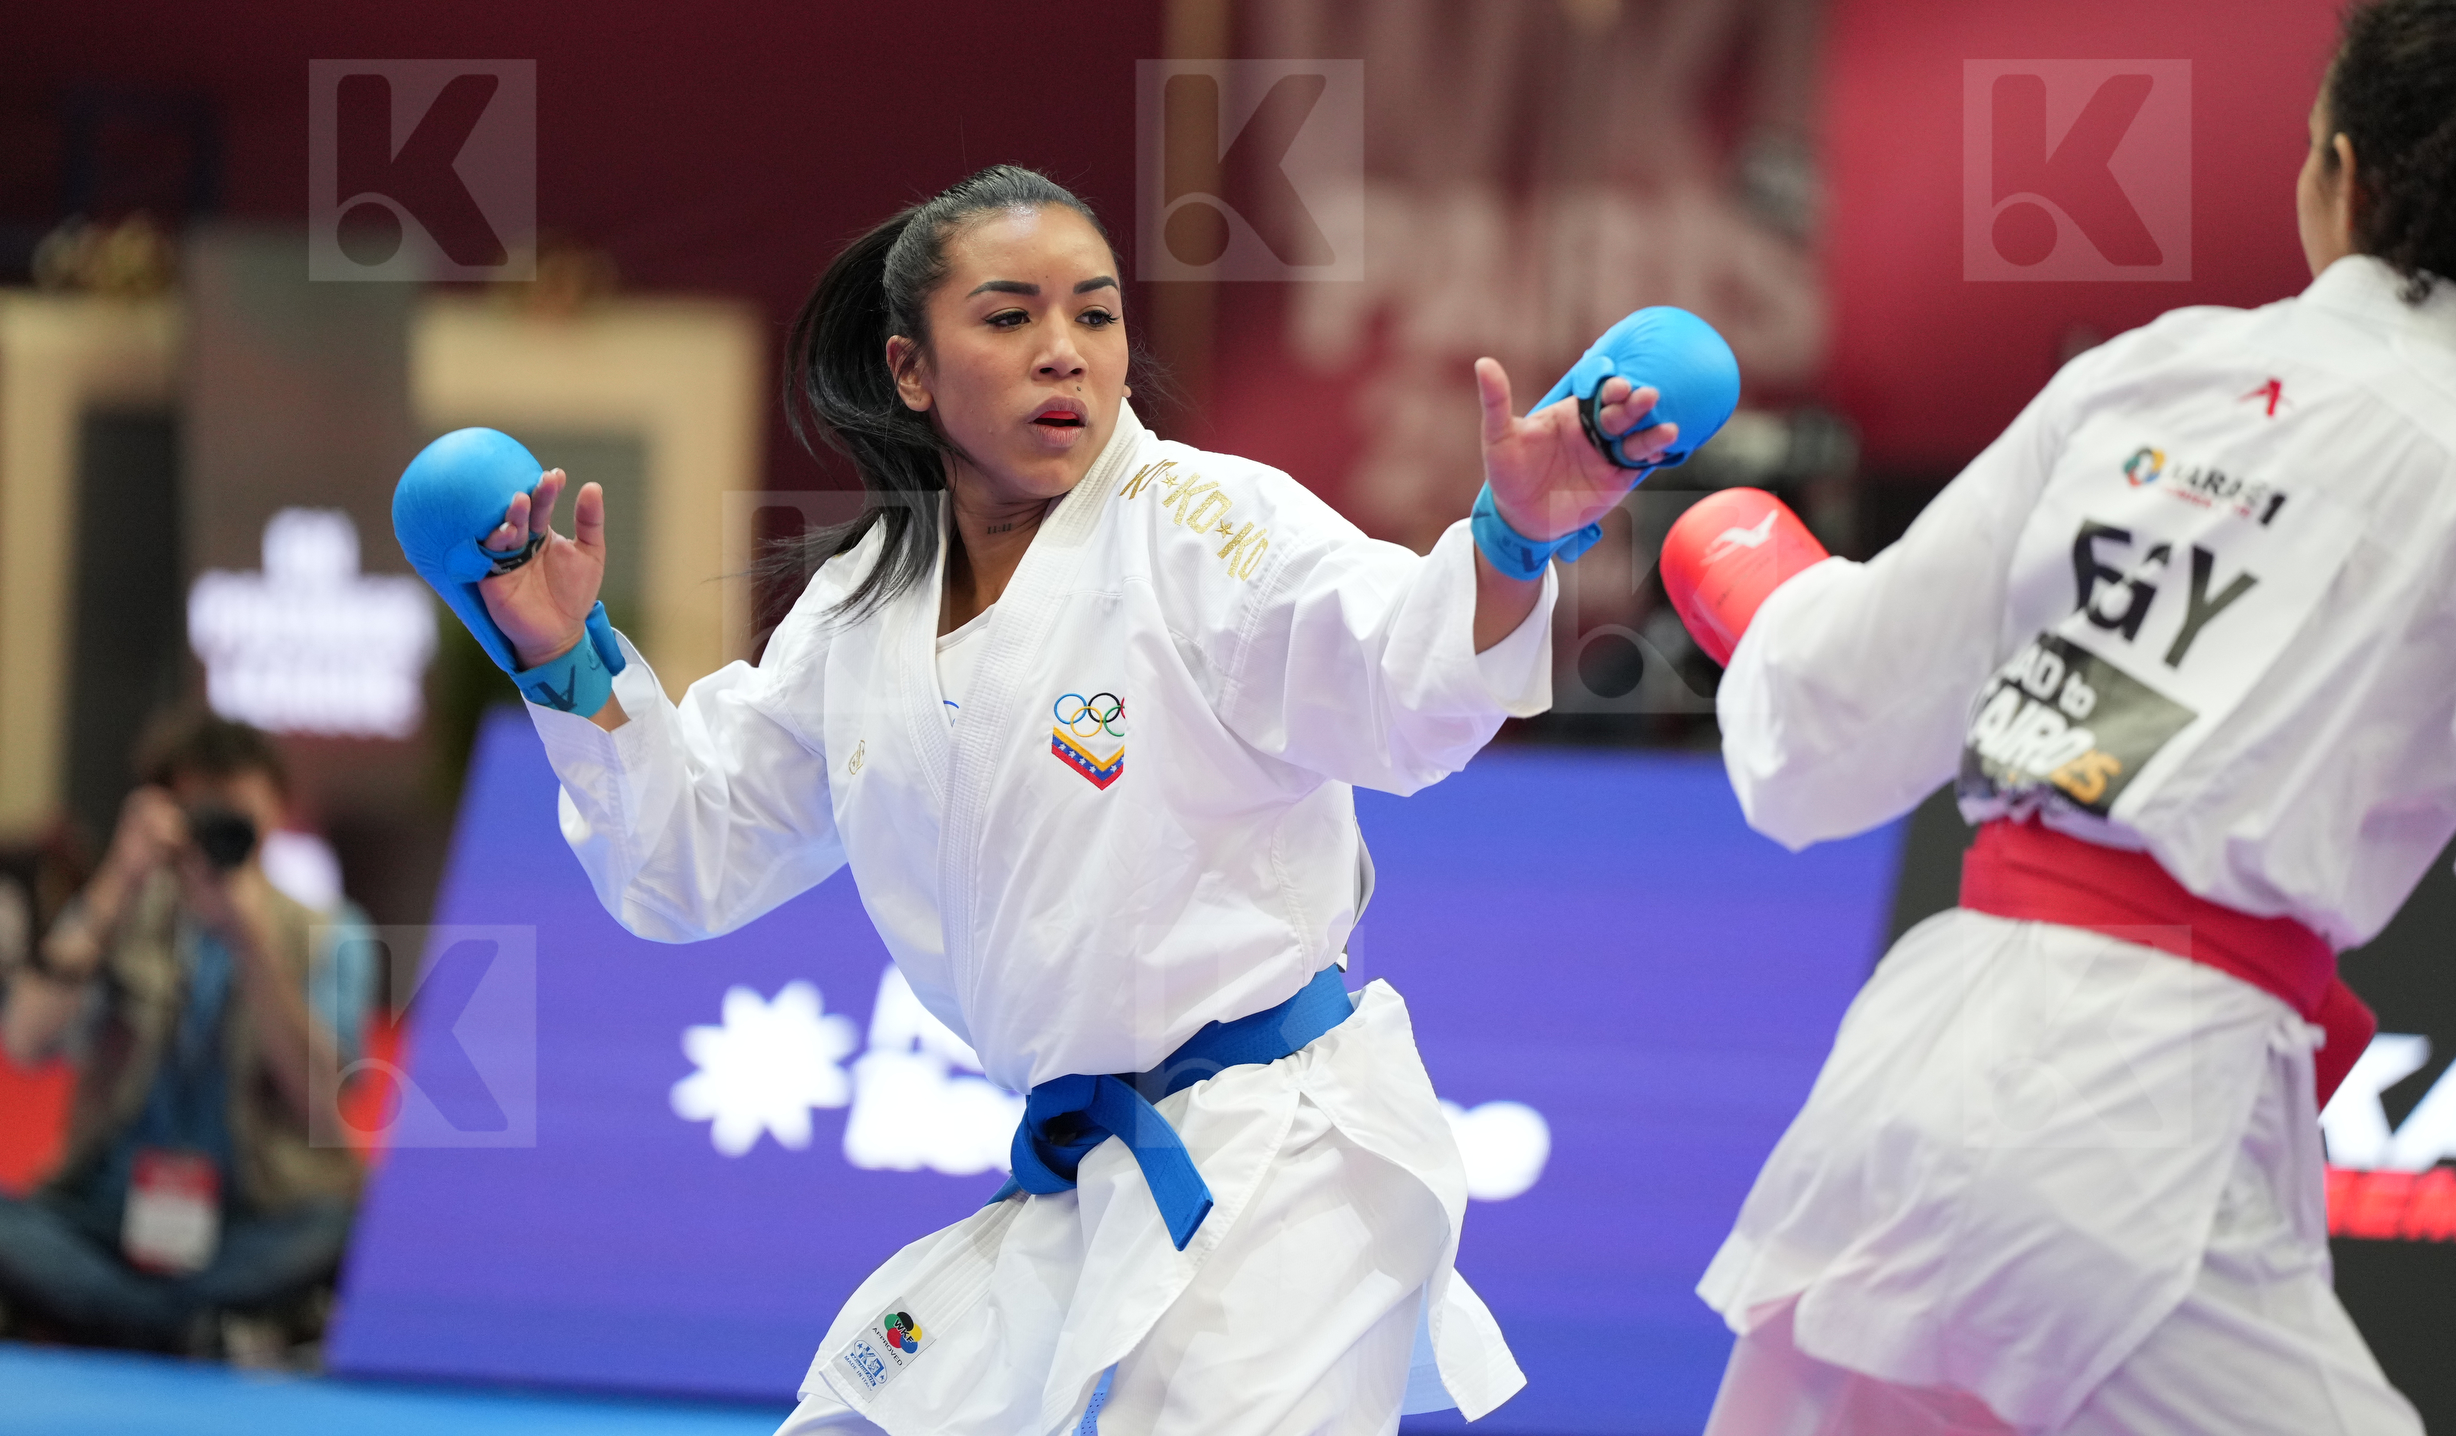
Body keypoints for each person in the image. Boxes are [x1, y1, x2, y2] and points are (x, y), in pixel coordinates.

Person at [456, 164, 1680, 1435]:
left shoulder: (1208, 526)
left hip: (1285, 1170)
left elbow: (1402, 685)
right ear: (910, 370)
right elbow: (686, 857)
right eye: (1009, 317)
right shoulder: (866, 600)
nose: (1065, 353)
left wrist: (1511, 540)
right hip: (1085, 1171)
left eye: (1094, 315)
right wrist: (567, 663)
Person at [1657, 0, 2456, 1435]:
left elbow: (1840, 715)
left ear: (2342, 173)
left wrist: (1756, 577)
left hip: (1932, 1067)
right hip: (2129, 1129)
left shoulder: (2147, 374)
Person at [0, 711, 372, 1355]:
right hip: (104, 1214)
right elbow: (25, 1040)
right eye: (202, 818)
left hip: (256, 1215)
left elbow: (325, 1103)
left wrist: (252, 943)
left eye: (238, 823)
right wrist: (118, 880)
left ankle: (101, 1319)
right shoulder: (117, 911)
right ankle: (200, 1328)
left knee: (348, 1228)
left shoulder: (334, 933)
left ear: (277, 815)